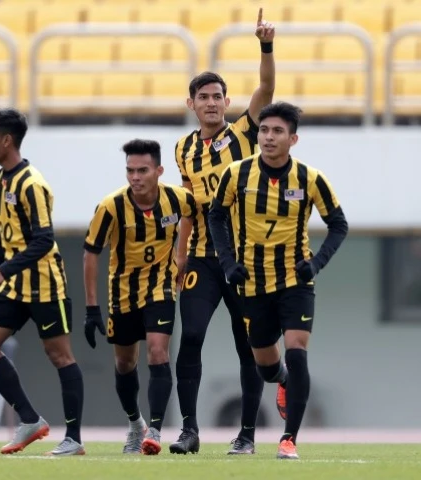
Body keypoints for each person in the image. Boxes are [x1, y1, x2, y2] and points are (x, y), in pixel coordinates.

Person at [208, 102, 349, 460]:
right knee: (266, 366)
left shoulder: (310, 179)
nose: (269, 137)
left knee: (297, 350)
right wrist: (227, 262)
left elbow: (338, 224)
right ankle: (281, 379)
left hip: (294, 282)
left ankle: (289, 439)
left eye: (277, 131)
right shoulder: (237, 174)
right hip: (253, 284)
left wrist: (315, 264)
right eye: (264, 130)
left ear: (293, 139)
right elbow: (216, 216)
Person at [170, 7, 276, 456]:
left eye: (218, 96)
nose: (211, 103)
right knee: (191, 336)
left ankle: (247, 435)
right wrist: (179, 256)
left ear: (227, 103)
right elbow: (188, 206)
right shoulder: (182, 149)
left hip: (244, 260)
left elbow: (266, 89)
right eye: (204, 97)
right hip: (202, 257)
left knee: (247, 345)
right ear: (191, 104)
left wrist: (265, 46)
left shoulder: (244, 135)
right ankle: (188, 430)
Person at [0, 108, 85, 456]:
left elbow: (43, 240)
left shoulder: (32, 183)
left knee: (59, 355)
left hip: (45, 284)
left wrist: (1, 272)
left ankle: (73, 439)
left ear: (7, 140)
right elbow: (4, 235)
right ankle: (29, 420)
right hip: (12, 284)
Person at [83, 139, 197, 455]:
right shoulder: (111, 206)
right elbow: (90, 253)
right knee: (124, 362)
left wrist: (183, 253)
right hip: (122, 294)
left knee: (158, 352)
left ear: (159, 171)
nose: (135, 177)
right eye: (130, 170)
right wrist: (92, 308)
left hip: (160, 288)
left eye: (142, 170)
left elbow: (196, 214)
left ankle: (155, 431)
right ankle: (136, 424)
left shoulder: (177, 198)